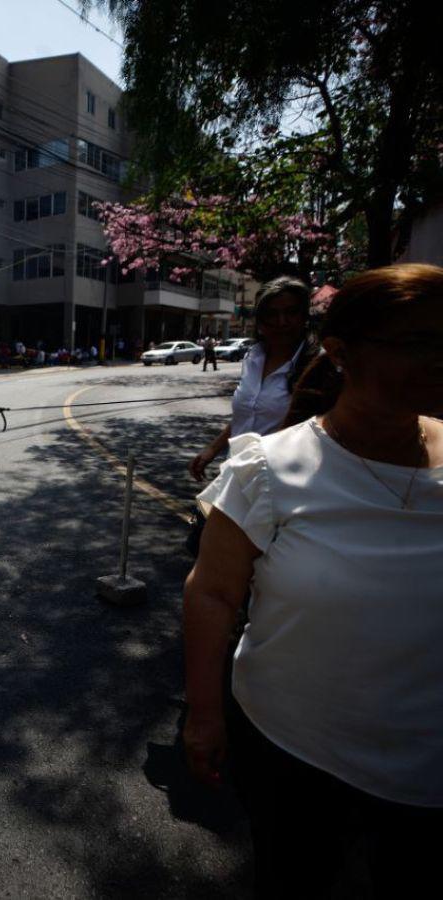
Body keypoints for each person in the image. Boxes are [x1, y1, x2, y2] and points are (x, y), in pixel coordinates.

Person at [183, 264, 443, 894]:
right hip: (292, 750)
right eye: (418, 344)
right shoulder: (268, 471)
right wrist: (205, 716)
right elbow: (213, 593)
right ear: (342, 354)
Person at [188, 277, 315, 481]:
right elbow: (247, 416)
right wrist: (212, 450)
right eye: (272, 314)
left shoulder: (318, 367)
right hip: (238, 474)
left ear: (304, 316)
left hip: (283, 483)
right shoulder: (253, 357)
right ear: (261, 320)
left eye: (291, 312)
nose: (282, 321)